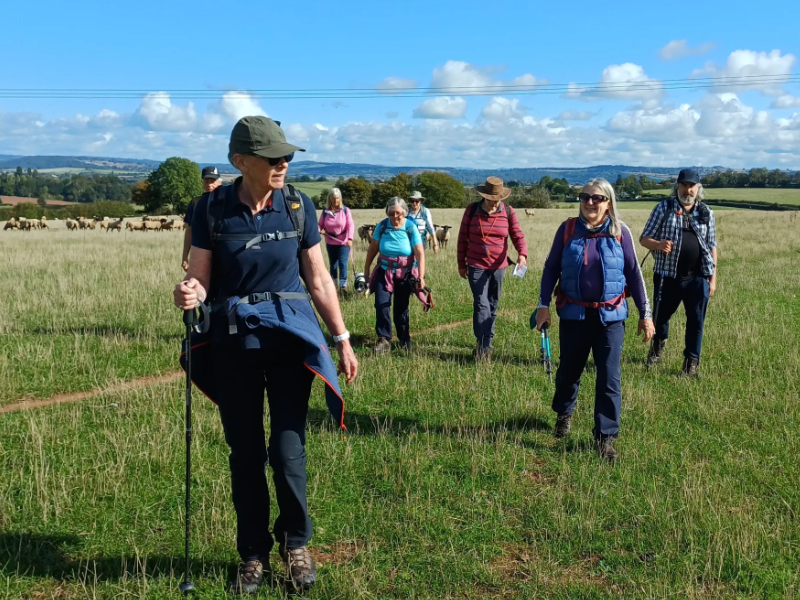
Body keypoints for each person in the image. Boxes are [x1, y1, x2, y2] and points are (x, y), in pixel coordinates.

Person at [173, 116, 358, 594]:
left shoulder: (298, 205)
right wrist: (190, 293)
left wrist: (341, 338)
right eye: (272, 157)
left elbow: (317, 278)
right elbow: (199, 277)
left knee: (288, 450)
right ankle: (252, 555)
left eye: (287, 157)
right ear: (240, 162)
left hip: (289, 344)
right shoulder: (210, 209)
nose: (283, 163)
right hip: (234, 346)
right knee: (246, 454)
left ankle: (296, 544)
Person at [535, 178, 654, 461]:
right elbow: (551, 268)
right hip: (574, 315)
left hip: (611, 318)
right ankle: (564, 413)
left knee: (609, 378)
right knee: (568, 373)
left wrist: (645, 314)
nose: (590, 202)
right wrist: (543, 305)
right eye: (585, 196)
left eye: (597, 198)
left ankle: (605, 437)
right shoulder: (567, 230)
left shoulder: (620, 232)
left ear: (608, 203)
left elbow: (635, 275)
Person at [640, 169, 717, 376]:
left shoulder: (706, 213)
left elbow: (712, 246)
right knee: (661, 317)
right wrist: (658, 244)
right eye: (684, 185)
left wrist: (712, 279)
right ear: (677, 187)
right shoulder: (663, 209)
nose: (687, 189)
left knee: (696, 322)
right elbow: (644, 238)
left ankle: (691, 364)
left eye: (692, 186)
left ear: (698, 188)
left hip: (698, 276)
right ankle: (657, 347)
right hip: (667, 275)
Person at [457, 176, 527, 361]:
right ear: (484, 196)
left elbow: (517, 234)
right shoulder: (472, 211)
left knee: (493, 304)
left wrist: (522, 254)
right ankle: (483, 346)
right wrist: (461, 263)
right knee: (482, 304)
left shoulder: (509, 212)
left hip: (499, 266)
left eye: (497, 199)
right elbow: (462, 237)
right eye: (490, 198)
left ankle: (487, 340)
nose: (494, 203)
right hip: (476, 264)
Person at [364, 197, 428, 354]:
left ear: (404, 212)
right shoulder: (382, 226)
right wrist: (366, 270)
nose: (395, 216)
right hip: (383, 271)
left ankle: (404, 338)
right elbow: (372, 249)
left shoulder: (410, 227)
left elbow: (419, 252)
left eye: (398, 213)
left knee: (401, 308)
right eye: (391, 213)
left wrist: (421, 276)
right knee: (381, 304)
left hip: (405, 274)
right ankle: (384, 339)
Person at [182, 166, 224, 271]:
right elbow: (189, 230)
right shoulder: (196, 203)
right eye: (206, 181)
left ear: (220, 183)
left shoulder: (228, 201)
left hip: (224, 252)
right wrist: (184, 257)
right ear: (202, 183)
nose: (210, 184)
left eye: (213, 181)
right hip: (201, 251)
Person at [318, 187, 355, 290]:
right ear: (329, 198)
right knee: (333, 265)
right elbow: (320, 224)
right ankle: (333, 286)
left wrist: (350, 239)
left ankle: (343, 286)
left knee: (343, 263)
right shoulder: (325, 212)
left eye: (337, 198)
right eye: (333, 198)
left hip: (343, 242)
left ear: (340, 199)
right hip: (330, 242)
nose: (335, 200)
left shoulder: (345, 210)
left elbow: (350, 225)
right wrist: (318, 229)